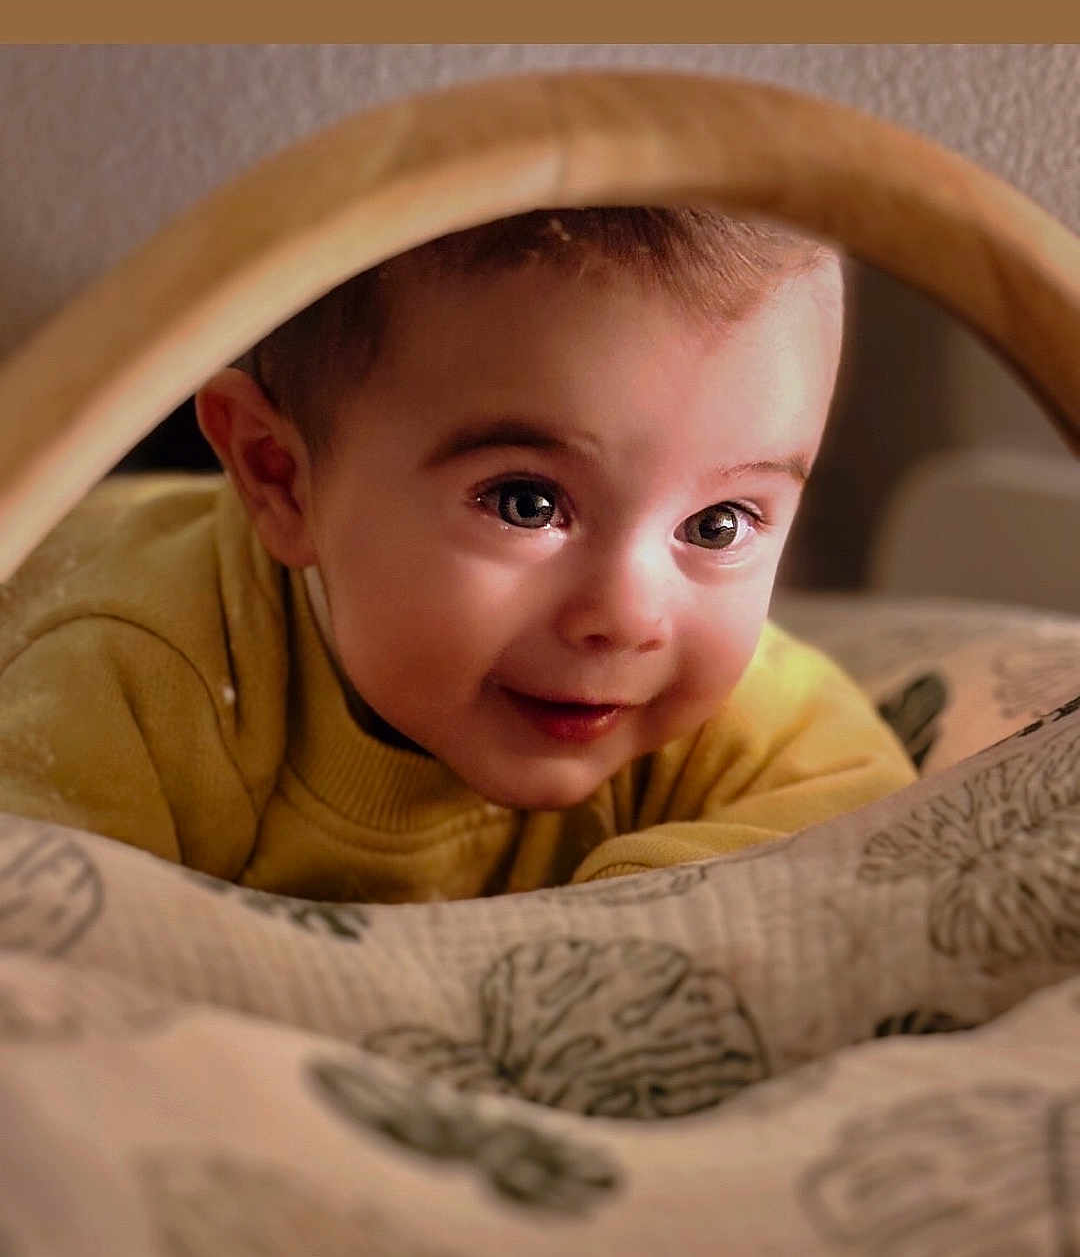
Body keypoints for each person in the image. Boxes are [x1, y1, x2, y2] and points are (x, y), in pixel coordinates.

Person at [0, 207, 915, 902]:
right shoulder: (132, 673)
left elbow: (863, 810)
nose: (631, 616)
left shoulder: (728, 701)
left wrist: (630, 912)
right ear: (280, 479)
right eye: (527, 502)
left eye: (717, 524)